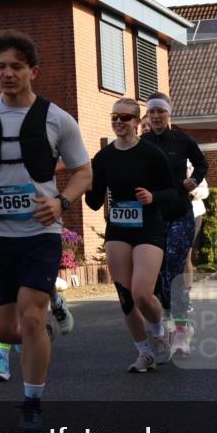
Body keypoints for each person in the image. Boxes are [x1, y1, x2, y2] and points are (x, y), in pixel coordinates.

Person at [0, 30, 92, 431]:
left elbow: (84, 171)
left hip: (39, 233)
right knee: (2, 327)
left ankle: (32, 401)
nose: (7, 74)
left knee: (30, 315)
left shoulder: (58, 119)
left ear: (33, 71)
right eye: (0, 67)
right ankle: (41, 334)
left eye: (16, 66)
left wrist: (61, 202)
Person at [85, 98, 176, 372]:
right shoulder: (104, 157)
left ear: (137, 122)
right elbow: (93, 203)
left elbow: (172, 192)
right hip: (118, 229)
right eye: (115, 117)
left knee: (141, 293)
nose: (119, 122)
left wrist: (152, 196)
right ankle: (143, 352)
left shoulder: (151, 154)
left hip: (148, 226)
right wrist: (83, 180)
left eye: (125, 118)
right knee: (125, 296)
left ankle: (159, 331)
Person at [141, 92, 208, 355]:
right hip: (153, 216)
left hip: (180, 213)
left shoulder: (182, 139)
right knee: (158, 274)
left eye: (161, 111)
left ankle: (181, 327)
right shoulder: (142, 142)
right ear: (147, 116)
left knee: (174, 270)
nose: (156, 116)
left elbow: (201, 163)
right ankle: (171, 317)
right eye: (152, 112)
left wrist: (194, 181)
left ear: (169, 114)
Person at [183, 159, 209, 307]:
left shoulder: (191, 167)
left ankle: (186, 295)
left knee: (186, 254)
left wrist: (192, 189)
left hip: (193, 213)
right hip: (171, 214)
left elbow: (205, 191)